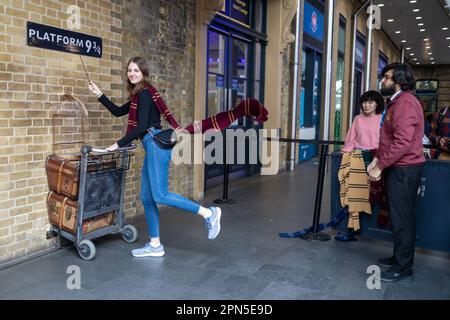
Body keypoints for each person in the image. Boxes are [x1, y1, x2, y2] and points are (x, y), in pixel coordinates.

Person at [87, 57, 222, 258]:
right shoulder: (137, 96)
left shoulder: (145, 94)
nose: (132, 73)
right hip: (152, 145)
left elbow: (141, 127)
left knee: (160, 195)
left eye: (136, 70)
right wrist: (99, 94)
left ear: (143, 73)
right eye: (129, 70)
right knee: (146, 197)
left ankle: (209, 214)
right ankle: (155, 244)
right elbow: (117, 112)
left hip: (155, 144)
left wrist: (117, 145)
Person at [367, 63, 425, 283]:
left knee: (403, 219)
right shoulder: (397, 102)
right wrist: (377, 159)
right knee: (398, 217)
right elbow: (389, 138)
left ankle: (404, 267)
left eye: (387, 77)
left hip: (405, 169)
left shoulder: (406, 103)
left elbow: (402, 142)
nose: (383, 81)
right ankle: (399, 257)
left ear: (399, 81)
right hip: (398, 167)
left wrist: (380, 165)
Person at [336, 90, 384, 241]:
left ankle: (376, 233)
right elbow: (351, 138)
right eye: (364, 102)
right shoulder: (358, 118)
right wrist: (345, 156)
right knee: (354, 196)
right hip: (357, 158)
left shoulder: (383, 118)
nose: (367, 105)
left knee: (375, 196)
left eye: (370, 102)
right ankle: (351, 231)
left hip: (377, 159)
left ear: (377, 104)